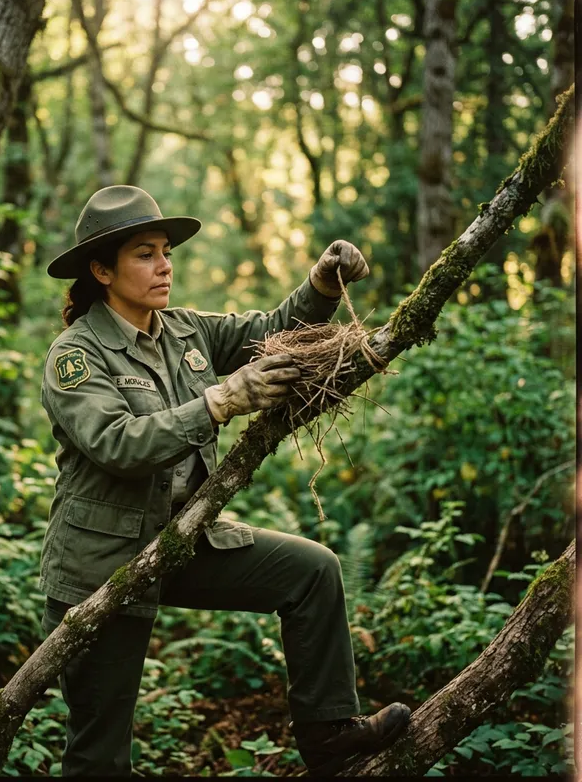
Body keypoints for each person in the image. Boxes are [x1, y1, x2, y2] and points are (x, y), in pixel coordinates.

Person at [39, 185, 410, 776]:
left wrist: (319, 284)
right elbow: (115, 445)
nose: (164, 265)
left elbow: (272, 328)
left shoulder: (185, 331)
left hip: (181, 540)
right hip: (99, 563)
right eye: (145, 253)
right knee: (99, 753)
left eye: (165, 250)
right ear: (101, 269)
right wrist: (218, 402)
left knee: (313, 571)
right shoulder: (75, 355)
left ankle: (328, 734)